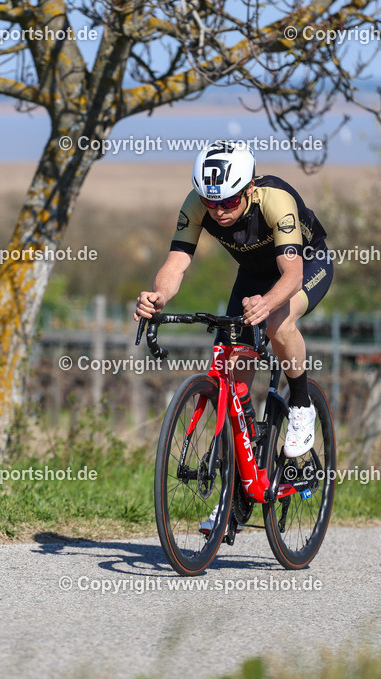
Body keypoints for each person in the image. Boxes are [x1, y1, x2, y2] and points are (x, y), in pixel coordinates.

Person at [134, 140, 334, 533]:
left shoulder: (275, 201)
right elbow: (176, 262)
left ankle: (300, 407)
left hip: (305, 263)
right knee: (232, 380)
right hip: (253, 276)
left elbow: (291, 276)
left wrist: (268, 305)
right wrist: (158, 295)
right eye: (212, 204)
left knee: (278, 322)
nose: (219, 211)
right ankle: (237, 499)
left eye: (228, 202)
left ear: (249, 188)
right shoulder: (198, 203)